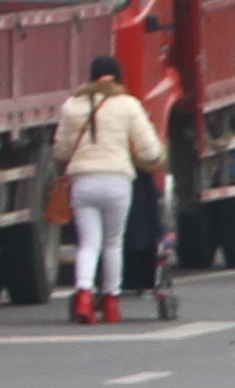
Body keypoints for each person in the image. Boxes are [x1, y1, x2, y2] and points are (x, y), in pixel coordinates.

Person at [51, 55, 166, 325]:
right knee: (113, 243)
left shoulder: (72, 106)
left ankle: (83, 296)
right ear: (118, 76)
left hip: (83, 182)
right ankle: (112, 302)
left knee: (88, 244)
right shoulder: (128, 105)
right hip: (117, 181)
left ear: (92, 76)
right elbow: (150, 150)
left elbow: (61, 150)